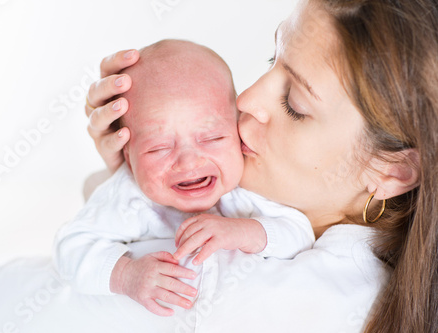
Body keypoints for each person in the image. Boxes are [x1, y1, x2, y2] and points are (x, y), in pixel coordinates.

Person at [85, 0, 437, 332]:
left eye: (294, 104)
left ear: (392, 171)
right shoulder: (256, 197)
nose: (245, 99)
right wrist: (130, 169)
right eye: (273, 59)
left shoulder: (315, 302)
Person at [54, 39, 314, 317]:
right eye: (159, 148)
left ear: (238, 130)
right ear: (128, 156)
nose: (189, 162)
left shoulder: (246, 186)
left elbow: (301, 234)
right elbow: (69, 247)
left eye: (212, 138)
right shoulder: (129, 196)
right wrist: (125, 275)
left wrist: (244, 231)